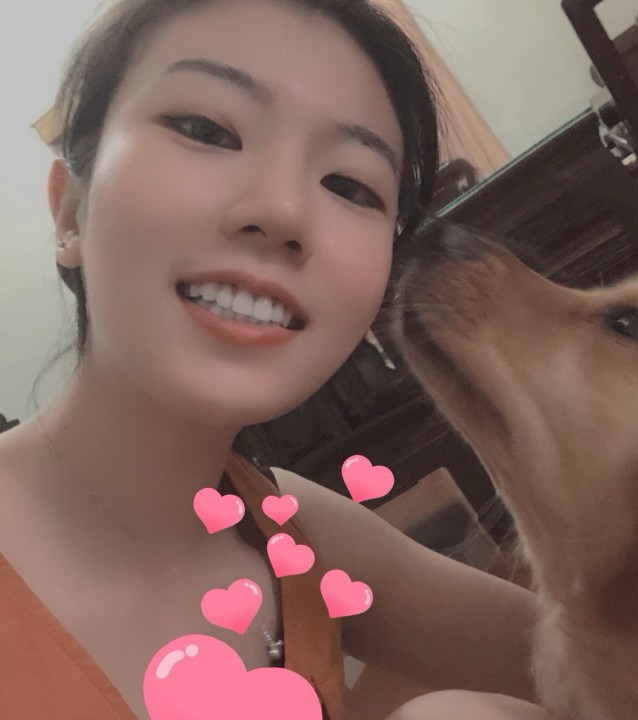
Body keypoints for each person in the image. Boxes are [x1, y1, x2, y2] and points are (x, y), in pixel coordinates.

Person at [0, 1, 548, 718]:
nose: (283, 210)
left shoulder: (298, 533)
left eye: (351, 185)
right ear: (71, 209)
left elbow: (622, 670)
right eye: (206, 130)